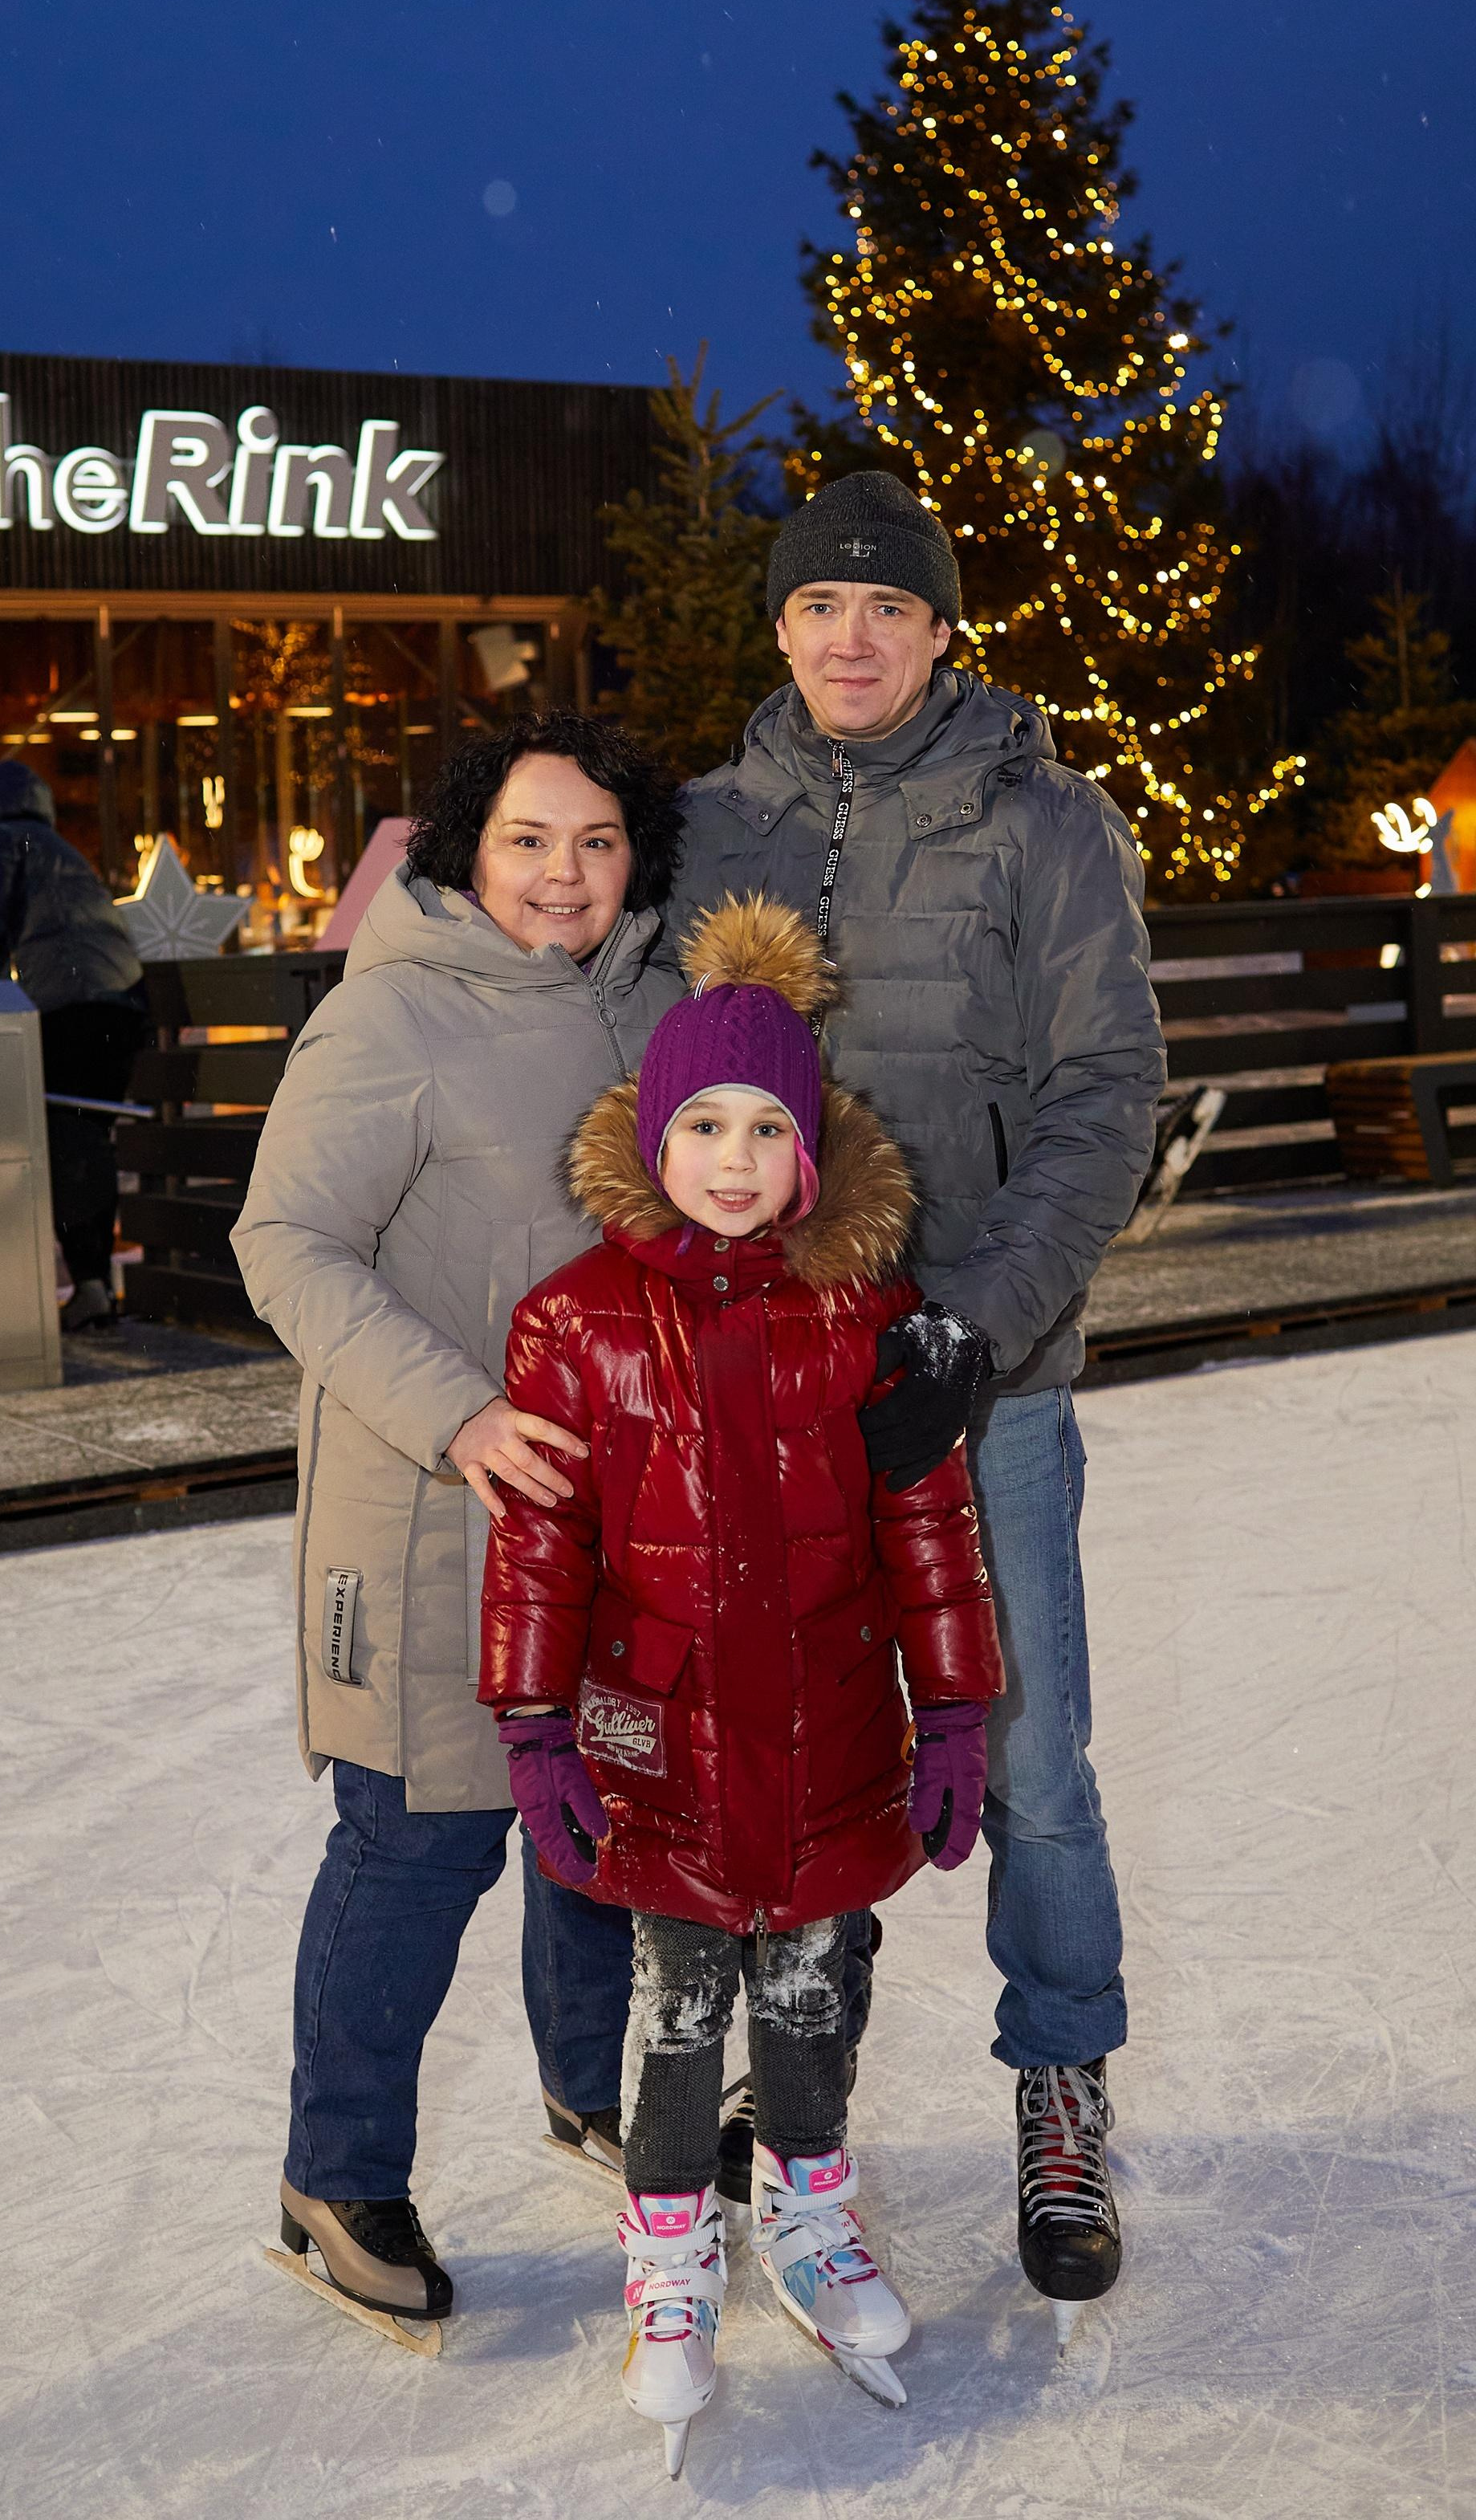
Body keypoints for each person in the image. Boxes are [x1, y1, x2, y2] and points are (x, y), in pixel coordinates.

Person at [669, 469, 1165, 2324]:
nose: (849, 637)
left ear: (941, 630)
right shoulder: (709, 822)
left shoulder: (1043, 822)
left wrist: (965, 1321)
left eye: (886, 608)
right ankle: (784, 2072)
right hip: (770, 1383)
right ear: (778, 628)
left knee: (1026, 1751)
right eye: (817, 607)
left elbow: (1102, 1095)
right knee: (788, 1732)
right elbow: (631, 1073)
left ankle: (1060, 2071)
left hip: (985, 1384)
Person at [478, 896, 1004, 2467]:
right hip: (661, 1736)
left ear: (808, 1153)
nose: (729, 1156)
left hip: (833, 1720)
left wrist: (957, 1705)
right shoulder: (572, 1326)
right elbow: (537, 1549)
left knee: (808, 1996)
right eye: (699, 1122)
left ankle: (808, 2223)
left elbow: (929, 1529)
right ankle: (666, 2266)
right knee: (675, 2011)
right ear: (650, 1139)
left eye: (763, 1127)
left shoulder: (869, 1322)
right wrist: (531, 1726)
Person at [230, 710, 687, 2339]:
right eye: (526, 840)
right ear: (459, 847)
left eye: (595, 843)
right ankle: (331, 2173)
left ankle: (587, 2090)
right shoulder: (392, 1014)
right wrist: (461, 1414)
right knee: (420, 1840)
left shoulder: (651, 1004)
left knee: (596, 1827)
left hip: (608, 1507)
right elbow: (283, 1243)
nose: (561, 876)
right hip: (426, 1509)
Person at [0, 759, 146, 1331]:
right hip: (118, 998)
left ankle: (80, 1285)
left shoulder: (2, 838)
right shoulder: (57, 847)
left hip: (69, 1001)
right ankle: (92, 1283)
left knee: (61, 1137)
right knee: (82, 1135)